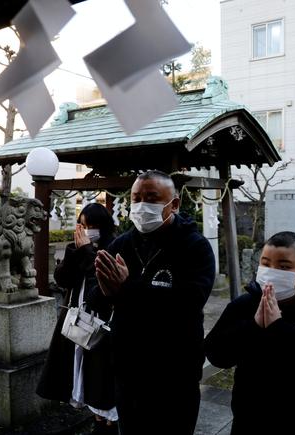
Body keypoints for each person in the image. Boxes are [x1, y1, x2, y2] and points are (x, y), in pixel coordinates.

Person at [90, 170, 215, 435]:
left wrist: (126, 288)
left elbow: (187, 303)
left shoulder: (195, 247)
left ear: (175, 204)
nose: (141, 205)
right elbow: (98, 299)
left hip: (175, 371)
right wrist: (104, 288)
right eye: (136, 198)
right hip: (128, 369)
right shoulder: (122, 244)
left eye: (151, 197)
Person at [205, 231, 295, 435]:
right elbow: (216, 354)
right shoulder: (244, 305)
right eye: (266, 264)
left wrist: (279, 328)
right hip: (252, 421)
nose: (272, 272)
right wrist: (254, 326)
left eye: (284, 267)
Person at [36, 203, 118, 435]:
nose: (86, 230)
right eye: (82, 225)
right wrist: (75, 252)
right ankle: (96, 418)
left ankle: (109, 420)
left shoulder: (113, 247)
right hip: (77, 318)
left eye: (91, 226)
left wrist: (87, 252)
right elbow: (62, 279)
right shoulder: (77, 247)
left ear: (103, 227)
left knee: (102, 375)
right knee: (80, 371)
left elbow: (101, 286)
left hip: (102, 322)